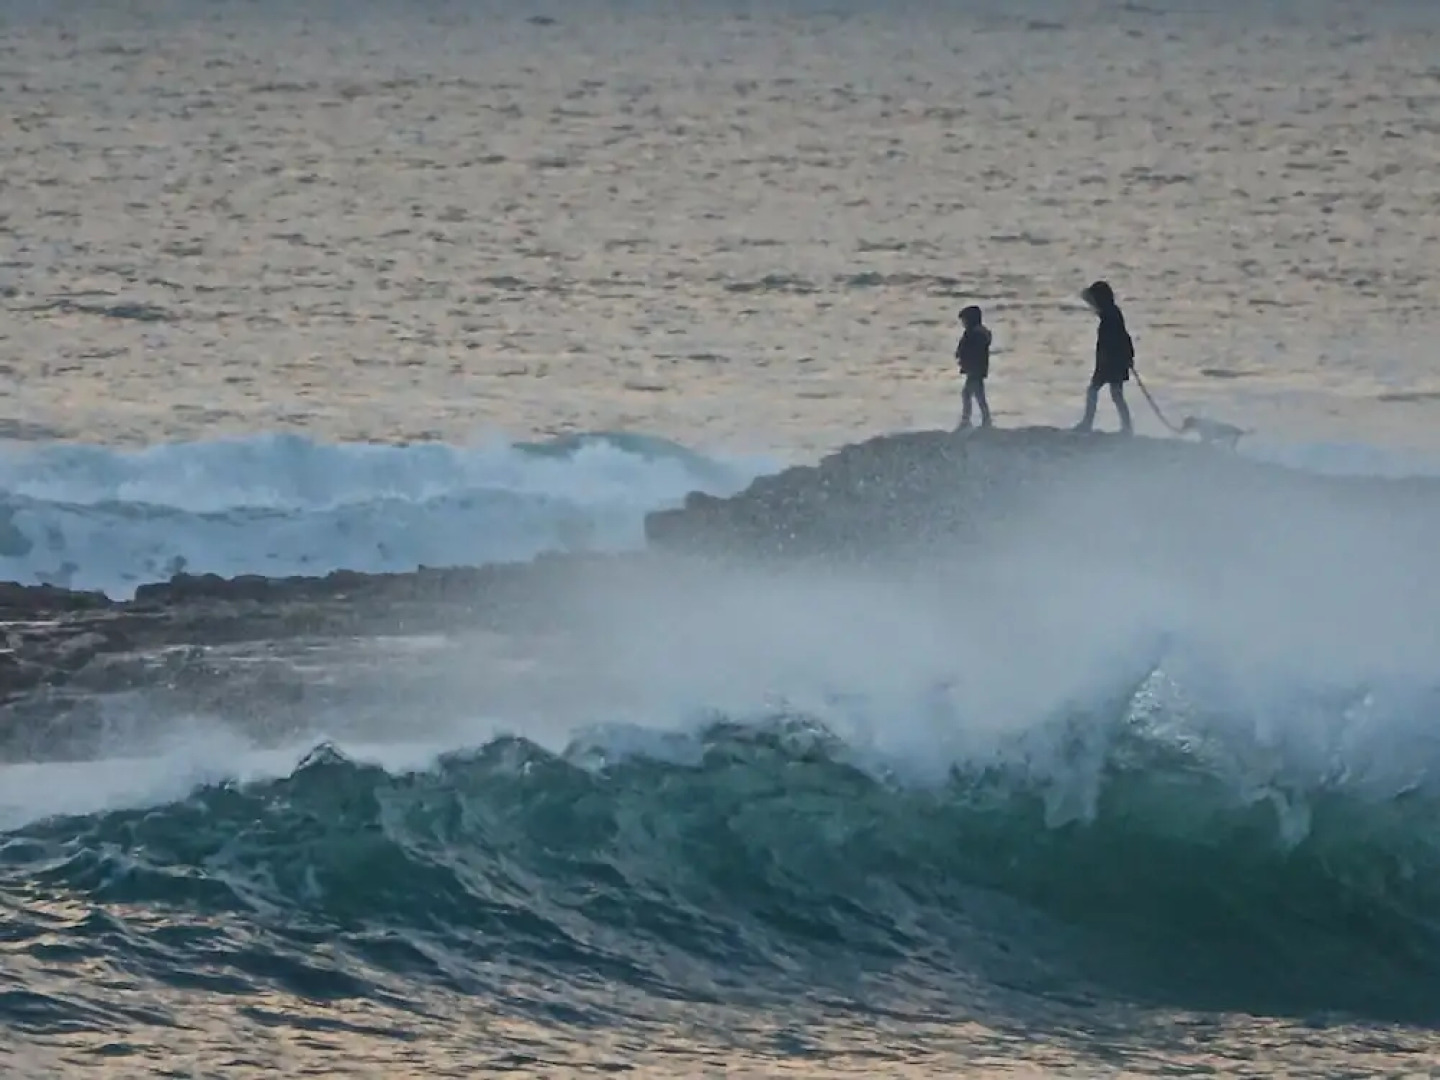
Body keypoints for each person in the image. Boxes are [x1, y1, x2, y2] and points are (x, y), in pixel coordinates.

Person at [1073, 280, 1134, 434]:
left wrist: (1126, 356)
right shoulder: (1110, 313)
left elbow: (1121, 338)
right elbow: (1125, 338)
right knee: (1116, 395)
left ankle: (1088, 423)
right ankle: (1126, 426)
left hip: (1111, 362)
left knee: (1096, 391)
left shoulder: (1110, 316)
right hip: (1112, 361)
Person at [955, 305, 992, 429]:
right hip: (974, 370)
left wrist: (965, 359)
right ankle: (983, 420)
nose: (963, 324)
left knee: (970, 394)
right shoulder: (973, 333)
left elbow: (974, 352)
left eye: (964, 320)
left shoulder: (977, 335)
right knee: (976, 395)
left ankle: (968, 420)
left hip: (975, 370)